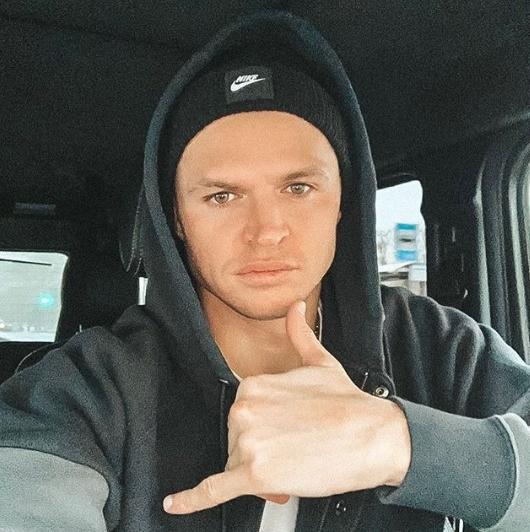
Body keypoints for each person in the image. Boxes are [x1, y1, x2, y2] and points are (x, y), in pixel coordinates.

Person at [0, 9, 529, 531]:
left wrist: (402, 445)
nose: (266, 231)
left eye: (298, 188)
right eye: (222, 196)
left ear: (343, 202)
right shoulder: (88, 390)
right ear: (176, 219)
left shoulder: (446, 351)